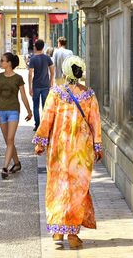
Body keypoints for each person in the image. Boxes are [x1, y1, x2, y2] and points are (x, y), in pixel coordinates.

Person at [33, 56, 103, 248]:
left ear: (65, 72)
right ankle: (72, 234)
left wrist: (40, 142)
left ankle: (57, 231)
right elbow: (95, 122)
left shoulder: (55, 93)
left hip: (59, 150)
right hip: (81, 152)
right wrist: (98, 146)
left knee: (58, 186)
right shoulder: (89, 95)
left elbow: (46, 119)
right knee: (77, 190)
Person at [0, 52, 33, 179]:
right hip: (1, 111)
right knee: (8, 141)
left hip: (14, 111)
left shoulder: (18, 78)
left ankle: (5, 167)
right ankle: (17, 163)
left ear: (9, 63)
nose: (0, 63)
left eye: (2, 60)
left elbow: (24, 96)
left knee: (10, 139)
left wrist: (29, 110)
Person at [28, 39, 54, 131]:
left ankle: (37, 124)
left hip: (36, 86)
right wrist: (51, 82)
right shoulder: (47, 58)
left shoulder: (33, 59)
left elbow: (30, 74)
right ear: (43, 47)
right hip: (45, 85)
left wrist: (30, 88)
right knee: (45, 106)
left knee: (35, 106)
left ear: (35, 47)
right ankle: (44, 124)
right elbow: (52, 70)